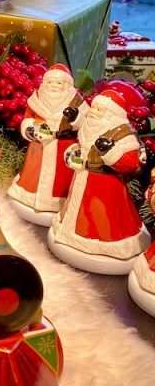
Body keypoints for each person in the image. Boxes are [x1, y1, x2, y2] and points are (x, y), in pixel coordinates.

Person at [49, 89, 150, 271]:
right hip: (81, 178)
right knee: (77, 209)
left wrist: (109, 152)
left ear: (112, 114)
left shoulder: (124, 135)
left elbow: (130, 163)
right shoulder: (88, 126)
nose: (94, 112)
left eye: (99, 110)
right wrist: (73, 154)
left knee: (102, 217)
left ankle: (103, 242)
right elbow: (79, 146)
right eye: (94, 108)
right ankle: (72, 231)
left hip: (106, 184)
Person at [7, 64, 88, 222]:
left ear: (67, 85)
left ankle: (59, 200)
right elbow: (28, 118)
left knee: (63, 179)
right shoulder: (37, 99)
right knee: (33, 173)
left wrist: (75, 118)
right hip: (39, 147)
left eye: (58, 83)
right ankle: (29, 195)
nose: (53, 86)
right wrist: (32, 129)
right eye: (50, 82)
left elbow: (85, 123)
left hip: (63, 146)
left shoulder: (77, 102)